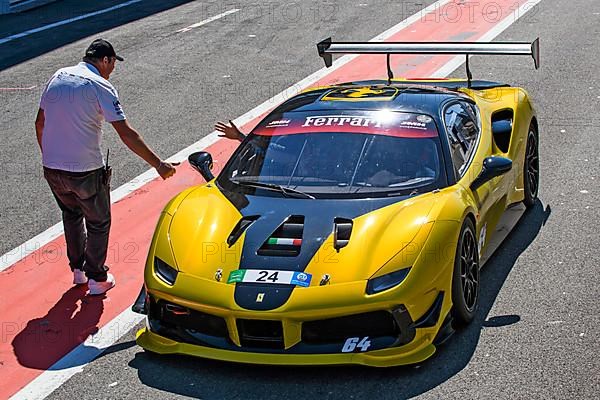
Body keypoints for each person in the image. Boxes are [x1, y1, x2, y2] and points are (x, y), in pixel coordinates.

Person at [35, 39, 178, 295]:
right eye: (113, 63)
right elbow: (127, 134)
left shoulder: (57, 76)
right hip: (86, 170)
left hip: (52, 168)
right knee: (98, 222)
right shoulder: (101, 85)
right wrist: (158, 164)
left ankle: (78, 271)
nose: (112, 69)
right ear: (105, 60)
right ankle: (97, 278)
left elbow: (40, 122)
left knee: (71, 215)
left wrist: (50, 158)